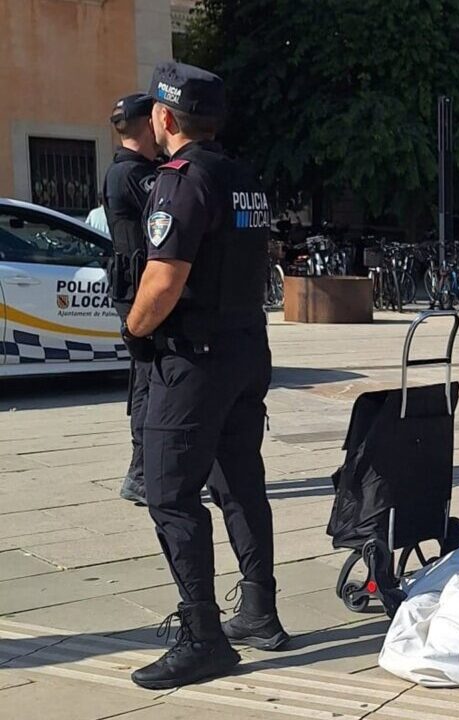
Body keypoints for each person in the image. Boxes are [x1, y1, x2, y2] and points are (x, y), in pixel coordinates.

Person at [123, 62, 288, 689]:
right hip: (246, 345)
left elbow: (163, 280)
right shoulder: (243, 177)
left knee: (169, 493)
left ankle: (203, 636)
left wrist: (135, 330)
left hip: (195, 357)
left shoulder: (182, 179)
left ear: (165, 118)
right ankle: (259, 609)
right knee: (239, 479)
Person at [103, 92, 161, 505]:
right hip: (138, 286)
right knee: (147, 381)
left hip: (137, 283)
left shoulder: (135, 170)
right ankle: (140, 472)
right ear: (147, 124)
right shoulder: (131, 174)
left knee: (151, 379)